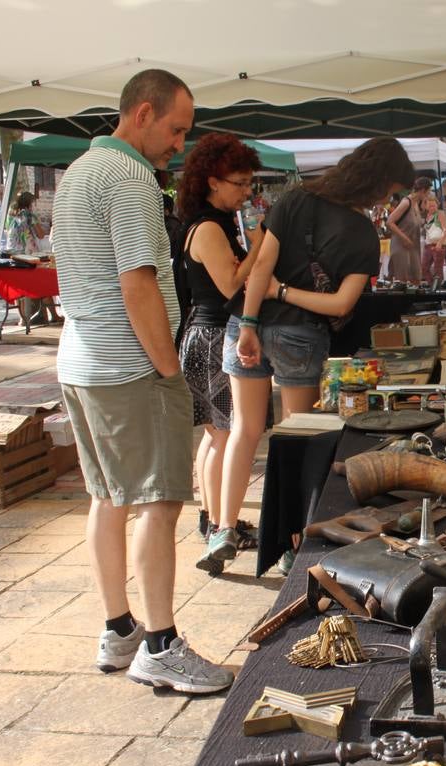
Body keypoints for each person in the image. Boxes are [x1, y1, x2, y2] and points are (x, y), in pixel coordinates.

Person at [52, 68, 231, 694]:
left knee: (108, 496)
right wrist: (165, 367)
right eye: (177, 129)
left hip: (81, 360)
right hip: (128, 365)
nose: (180, 145)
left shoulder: (77, 173)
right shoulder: (127, 178)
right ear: (144, 112)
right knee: (159, 502)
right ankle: (160, 643)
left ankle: (119, 629)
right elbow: (138, 283)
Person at [203, 137, 414, 570]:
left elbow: (260, 267)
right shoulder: (360, 232)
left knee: (243, 431)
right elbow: (339, 305)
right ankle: (288, 542)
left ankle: (223, 530)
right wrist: (288, 294)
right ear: (376, 181)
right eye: (389, 190)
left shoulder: (296, 199)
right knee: (296, 440)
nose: (386, 200)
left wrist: (249, 323)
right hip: (300, 335)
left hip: (250, 322)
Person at [174, 134, 265, 574]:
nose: (247, 191)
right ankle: (215, 525)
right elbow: (231, 285)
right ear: (213, 181)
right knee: (224, 436)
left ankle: (212, 520)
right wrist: (262, 244)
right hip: (212, 336)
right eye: (240, 182)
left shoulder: (213, 221)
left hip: (204, 335)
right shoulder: (209, 228)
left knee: (215, 436)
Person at [5, 192, 60, 324]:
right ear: (30, 203)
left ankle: (22, 318)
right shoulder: (29, 215)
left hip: (13, 253)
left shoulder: (12, 216)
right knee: (42, 282)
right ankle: (53, 315)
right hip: (27, 253)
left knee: (20, 286)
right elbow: (40, 234)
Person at [385, 176, 430, 283]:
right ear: (423, 191)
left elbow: (417, 223)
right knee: (403, 279)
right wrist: (404, 238)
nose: (428, 195)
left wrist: (424, 210)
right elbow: (389, 222)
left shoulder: (416, 204)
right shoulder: (406, 203)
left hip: (413, 245)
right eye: (428, 192)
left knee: (416, 277)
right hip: (401, 245)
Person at [420, 192, 446, 283]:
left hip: (438, 246)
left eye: (434, 205)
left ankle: (438, 288)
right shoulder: (427, 216)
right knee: (424, 268)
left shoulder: (440, 214)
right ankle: (432, 286)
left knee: (438, 270)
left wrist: (440, 243)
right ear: (426, 207)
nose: (432, 208)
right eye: (430, 206)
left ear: (437, 205)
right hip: (428, 245)